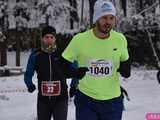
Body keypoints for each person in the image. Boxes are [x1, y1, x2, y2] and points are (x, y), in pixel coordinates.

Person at [62, 0, 131, 120]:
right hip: (86, 100)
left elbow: (125, 61)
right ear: (96, 18)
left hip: (113, 102)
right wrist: (75, 73)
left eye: (111, 18)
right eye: (104, 17)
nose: (108, 22)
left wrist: (126, 69)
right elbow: (62, 66)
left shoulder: (120, 39)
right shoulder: (79, 40)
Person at [24, 26, 88, 120]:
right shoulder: (36, 55)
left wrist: (74, 85)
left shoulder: (64, 54)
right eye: (46, 37)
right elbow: (28, 73)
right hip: (43, 100)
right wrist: (29, 84)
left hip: (61, 99)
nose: (49, 40)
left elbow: (75, 69)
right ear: (42, 38)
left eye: (51, 37)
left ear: (55, 39)